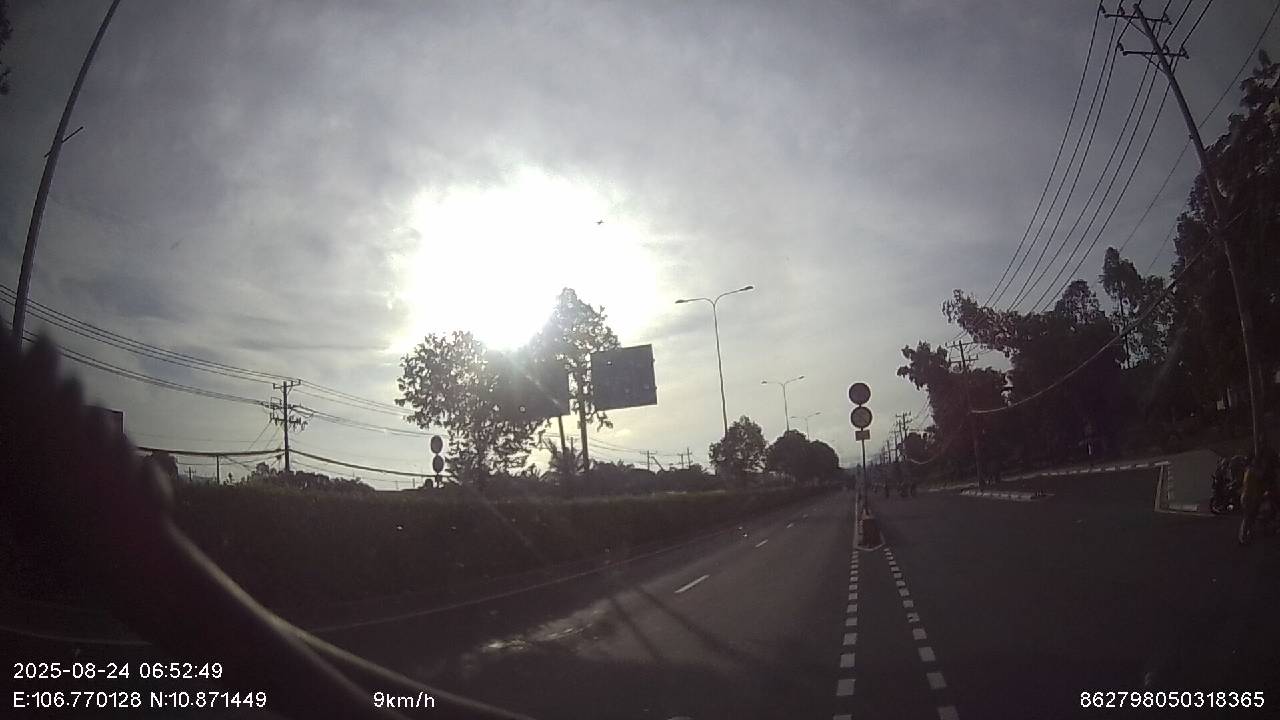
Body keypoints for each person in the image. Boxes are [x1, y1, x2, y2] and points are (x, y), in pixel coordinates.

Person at [1239, 435, 1279, 546]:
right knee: (1249, 517)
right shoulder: (1252, 471)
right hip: (1249, 496)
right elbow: (1261, 475)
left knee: (1252, 515)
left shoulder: (1250, 469)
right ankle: (1243, 536)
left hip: (1252, 495)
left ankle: (1249, 533)